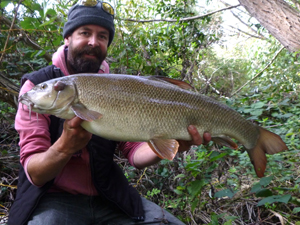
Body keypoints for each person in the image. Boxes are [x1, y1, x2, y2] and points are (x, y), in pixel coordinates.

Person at [8, 1, 211, 224]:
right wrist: (64, 147)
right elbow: (34, 173)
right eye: (85, 32)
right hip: (52, 199)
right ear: (67, 38)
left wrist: (168, 143)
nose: (93, 42)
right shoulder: (36, 88)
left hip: (109, 196)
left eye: (102, 36)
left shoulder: (118, 85)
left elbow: (134, 154)